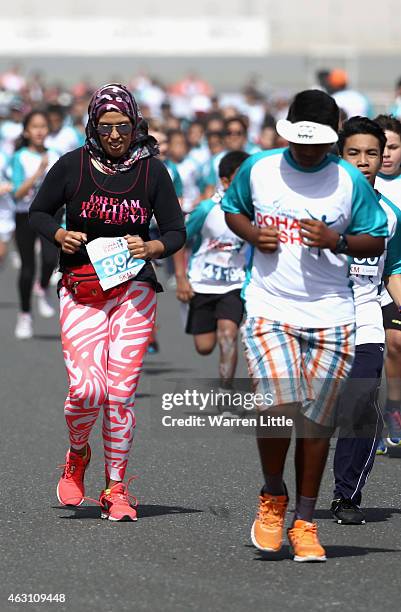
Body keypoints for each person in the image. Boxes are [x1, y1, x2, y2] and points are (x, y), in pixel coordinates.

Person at [222, 90, 387, 562]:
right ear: (288, 131)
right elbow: (233, 209)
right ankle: (273, 496)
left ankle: (306, 521)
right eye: (301, 141)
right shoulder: (260, 169)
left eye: (318, 144)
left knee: (317, 423)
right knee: (277, 403)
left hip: (333, 315)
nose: (308, 151)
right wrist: (253, 233)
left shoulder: (348, 181)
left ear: (332, 139)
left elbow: (374, 240)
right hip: (271, 308)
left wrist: (338, 239)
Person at [29, 83, 186, 521]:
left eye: (123, 126)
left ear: (136, 124)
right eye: (106, 126)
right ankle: (78, 452)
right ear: (93, 127)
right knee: (87, 388)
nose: (115, 134)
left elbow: (175, 230)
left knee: (119, 394)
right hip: (82, 286)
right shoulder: (71, 166)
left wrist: (152, 249)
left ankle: (115, 486)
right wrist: (59, 234)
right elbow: (38, 212)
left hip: (135, 289)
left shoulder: (152, 172)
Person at [331, 116, 401, 524]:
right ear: (340, 156)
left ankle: (346, 495)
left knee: (361, 403)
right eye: (353, 153)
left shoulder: (390, 214)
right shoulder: (322, 207)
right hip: (318, 314)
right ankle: (281, 491)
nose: (363, 161)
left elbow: (393, 269)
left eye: (371, 153)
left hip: (366, 314)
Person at [174, 151, 249, 412]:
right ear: (226, 182)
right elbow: (179, 239)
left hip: (235, 285)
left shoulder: (255, 210)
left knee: (228, 333)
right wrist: (181, 278)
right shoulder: (207, 209)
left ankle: (226, 392)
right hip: (202, 284)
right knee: (205, 347)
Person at [10, 110, 59, 339]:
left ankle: (43, 286)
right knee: (27, 267)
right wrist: (39, 171)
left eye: (43, 126)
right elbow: (18, 194)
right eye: (34, 127)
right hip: (25, 215)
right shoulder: (19, 157)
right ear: (27, 132)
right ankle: (25, 315)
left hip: (51, 215)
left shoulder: (57, 155)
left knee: (50, 259)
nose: (39, 131)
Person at [374, 114, 401, 448]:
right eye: (383, 148)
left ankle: (394, 409)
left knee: (395, 342)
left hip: (394, 275)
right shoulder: (361, 183)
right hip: (361, 280)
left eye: (394, 147)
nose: (388, 155)